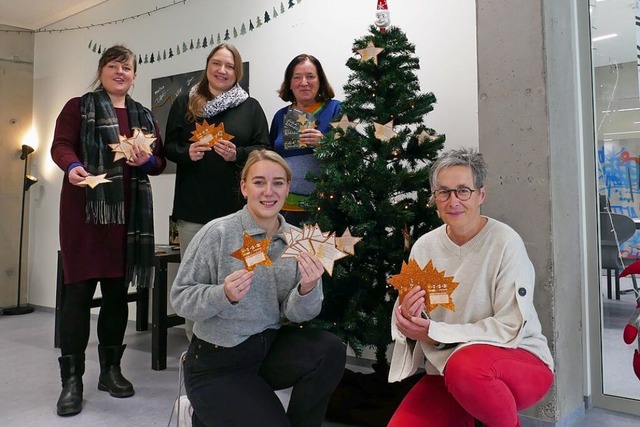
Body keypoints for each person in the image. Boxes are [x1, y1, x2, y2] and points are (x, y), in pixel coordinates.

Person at [170, 149, 347, 427]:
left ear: (288, 188)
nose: (269, 191)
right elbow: (180, 299)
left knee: (330, 349)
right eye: (259, 182)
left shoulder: (297, 240)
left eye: (278, 182)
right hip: (217, 364)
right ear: (244, 187)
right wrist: (223, 294)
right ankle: (202, 410)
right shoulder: (218, 233)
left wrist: (308, 288)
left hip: (267, 350)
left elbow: (299, 315)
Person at [387, 148, 554, 427]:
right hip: (444, 369)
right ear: (435, 198)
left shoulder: (505, 243)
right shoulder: (424, 246)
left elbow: (509, 327)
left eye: (463, 190)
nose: (453, 201)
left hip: (518, 360)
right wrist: (406, 317)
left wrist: (434, 331)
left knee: (466, 367)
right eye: (443, 192)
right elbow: (413, 318)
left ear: (481, 195)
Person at [50, 45, 166, 416]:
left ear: (135, 75)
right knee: (78, 296)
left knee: (117, 296)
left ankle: (110, 372)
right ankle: (71, 382)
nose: (120, 72)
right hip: (84, 216)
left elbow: (159, 162)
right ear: (101, 70)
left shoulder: (144, 116)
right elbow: (61, 145)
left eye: (127, 68)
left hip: (127, 220)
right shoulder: (77, 107)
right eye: (113, 66)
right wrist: (71, 167)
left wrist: (147, 159)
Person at [164, 43, 269, 340]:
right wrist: (188, 152)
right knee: (195, 285)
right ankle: (197, 353)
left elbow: (265, 149)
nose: (222, 70)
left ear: (238, 71)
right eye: (217, 64)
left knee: (244, 281)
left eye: (230, 66)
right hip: (193, 210)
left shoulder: (250, 107)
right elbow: (168, 147)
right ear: (207, 66)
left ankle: (239, 353)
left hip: (240, 213)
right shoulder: (185, 102)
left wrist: (238, 153)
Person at [269, 54, 341, 226]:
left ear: (320, 81)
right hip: (285, 207)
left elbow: (353, 151)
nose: (304, 82)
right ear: (290, 84)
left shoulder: (336, 109)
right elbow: (271, 156)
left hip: (325, 207)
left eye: (310, 76)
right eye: (297, 77)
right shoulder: (280, 116)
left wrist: (325, 143)